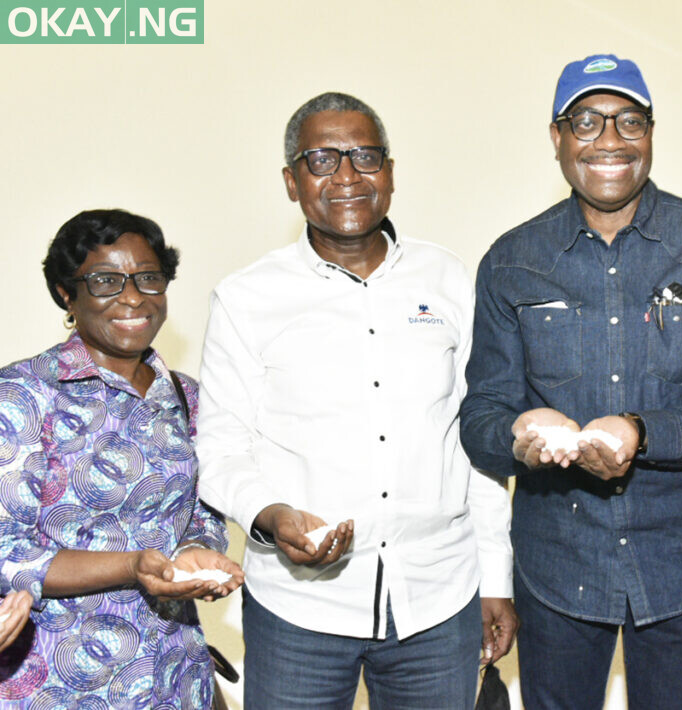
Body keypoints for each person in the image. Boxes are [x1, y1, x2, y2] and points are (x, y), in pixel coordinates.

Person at [459, 54, 682, 709]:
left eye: (629, 121)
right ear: (556, 138)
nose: (609, 139)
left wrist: (641, 431)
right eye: (586, 122)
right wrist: (519, 434)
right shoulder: (512, 260)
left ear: (651, 133)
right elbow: (481, 417)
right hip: (558, 562)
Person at [196, 92, 516, 709]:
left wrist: (495, 577)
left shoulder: (448, 279)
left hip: (439, 600)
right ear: (291, 182)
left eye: (365, 157)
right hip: (299, 607)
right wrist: (270, 515)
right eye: (322, 160)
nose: (346, 176)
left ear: (390, 172)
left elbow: (475, 438)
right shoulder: (246, 298)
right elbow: (221, 447)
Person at [0, 209, 243, 708]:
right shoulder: (24, 395)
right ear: (67, 294)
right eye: (105, 281)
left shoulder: (186, 396)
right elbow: (6, 553)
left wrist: (196, 549)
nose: (133, 297)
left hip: (173, 673)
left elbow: (203, 511)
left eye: (148, 277)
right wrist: (132, 565)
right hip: (61, 682)